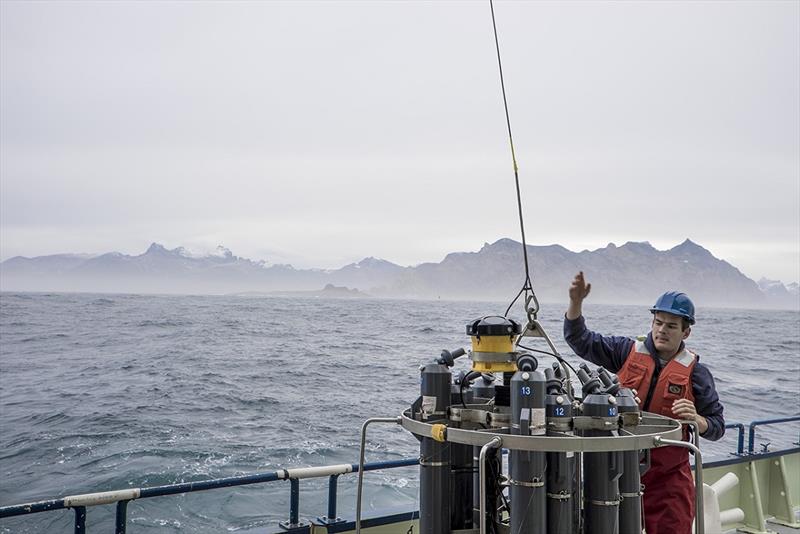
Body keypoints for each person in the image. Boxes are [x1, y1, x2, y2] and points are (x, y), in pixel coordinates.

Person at [564, 271, 725, 534]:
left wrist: (698, 421)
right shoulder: (625, 351)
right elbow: (579, 339)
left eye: (671, 326)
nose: (662, 330)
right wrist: (576, 303)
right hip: (616, 471)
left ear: (686, 332)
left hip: (669, 480)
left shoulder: (697, 374)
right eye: (658, 322)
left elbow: (717, 426)